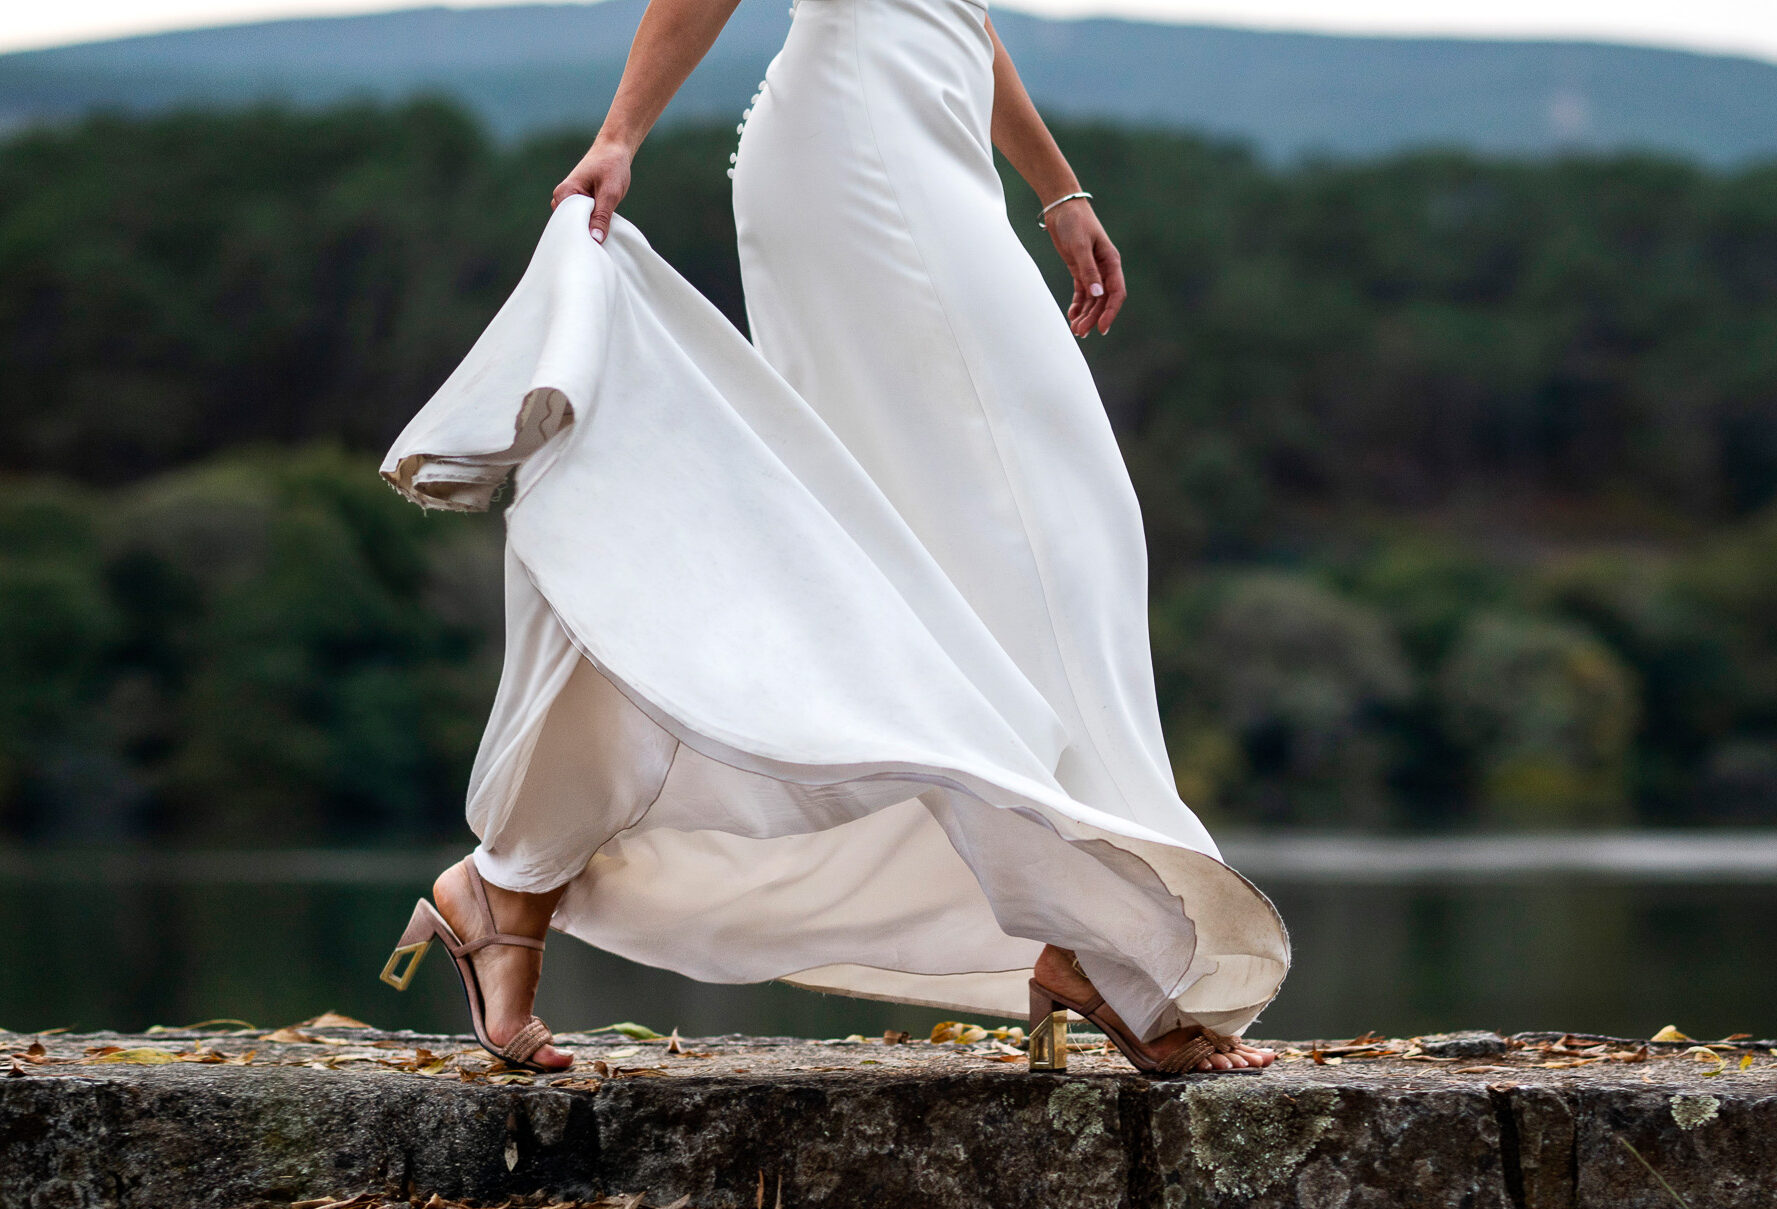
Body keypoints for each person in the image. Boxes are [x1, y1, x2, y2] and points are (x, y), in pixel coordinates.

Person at [378, 0, 1288, 1076]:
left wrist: (1058, 189)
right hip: (857, 150)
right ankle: (1107, 941)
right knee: (1034, 530)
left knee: (940, 546)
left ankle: (514, 885)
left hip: (929, 143)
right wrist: (620, 134)